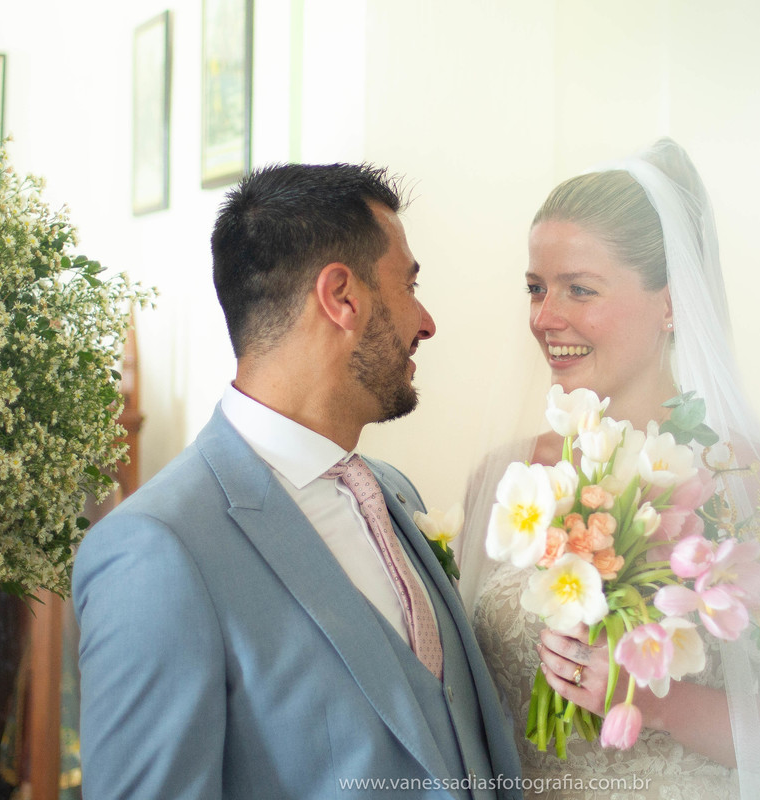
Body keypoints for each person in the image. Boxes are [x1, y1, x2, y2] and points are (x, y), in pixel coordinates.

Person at [74, 163, 522, 799]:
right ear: (341, 296)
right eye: (409, 285)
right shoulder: (156, 552)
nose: (426, 322)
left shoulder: (396, 494)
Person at [459, 140, 760, 799]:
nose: (544, 317)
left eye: (578, 290)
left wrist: (658, 701)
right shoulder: (506, 480)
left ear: (671, 303)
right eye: (536, 289)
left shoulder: (745, 479)